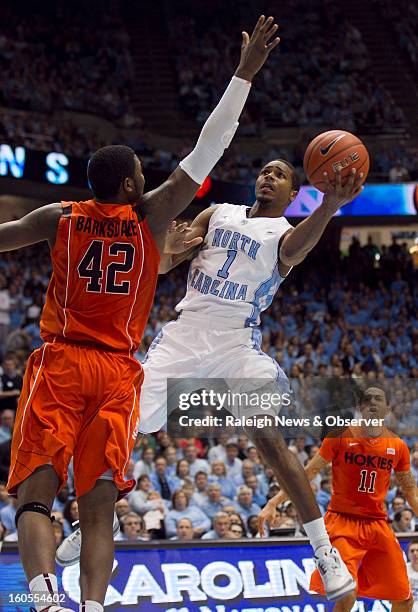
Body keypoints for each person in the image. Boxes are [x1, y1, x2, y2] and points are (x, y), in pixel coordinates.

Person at [3, 14, 278, 611]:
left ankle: (46, 598)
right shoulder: (150, 216)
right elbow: (210, 147)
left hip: (61, 364)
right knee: (100, 512)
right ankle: (95, 607)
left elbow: (2, 237)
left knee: (34, 498)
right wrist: (243, 74)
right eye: (141, 174)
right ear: (130, 185)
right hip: (117, 373)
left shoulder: (60, 218)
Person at [136, 168, 364, 597]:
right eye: (264, 171)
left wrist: (329, 206)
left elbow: (294, 253)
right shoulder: (218, 212)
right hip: (185, 333)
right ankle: (98, 516)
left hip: (236, 341)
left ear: (293, 194)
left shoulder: (285, 233)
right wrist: (167, 249)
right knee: (128, 426)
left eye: (279, 175)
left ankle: (324, 552)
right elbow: (165, 264)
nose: (268, 176)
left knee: (267, 436)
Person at [259, 385, 417, 611]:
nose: (372, 403)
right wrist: (274, 502)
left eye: (378, 399)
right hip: (343, 522)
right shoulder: (339, 436)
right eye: (367, 400)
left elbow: (410, 489)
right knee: (346, 593)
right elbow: (307, 474)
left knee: (404, 598)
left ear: (387, 409)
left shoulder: (398, 446)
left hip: (377, 524)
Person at [406, 542, 418, 611]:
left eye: (417, 550)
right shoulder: (403, 570)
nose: (415, 553)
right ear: (408, 554)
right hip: (408, 606)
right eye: (412, 551)